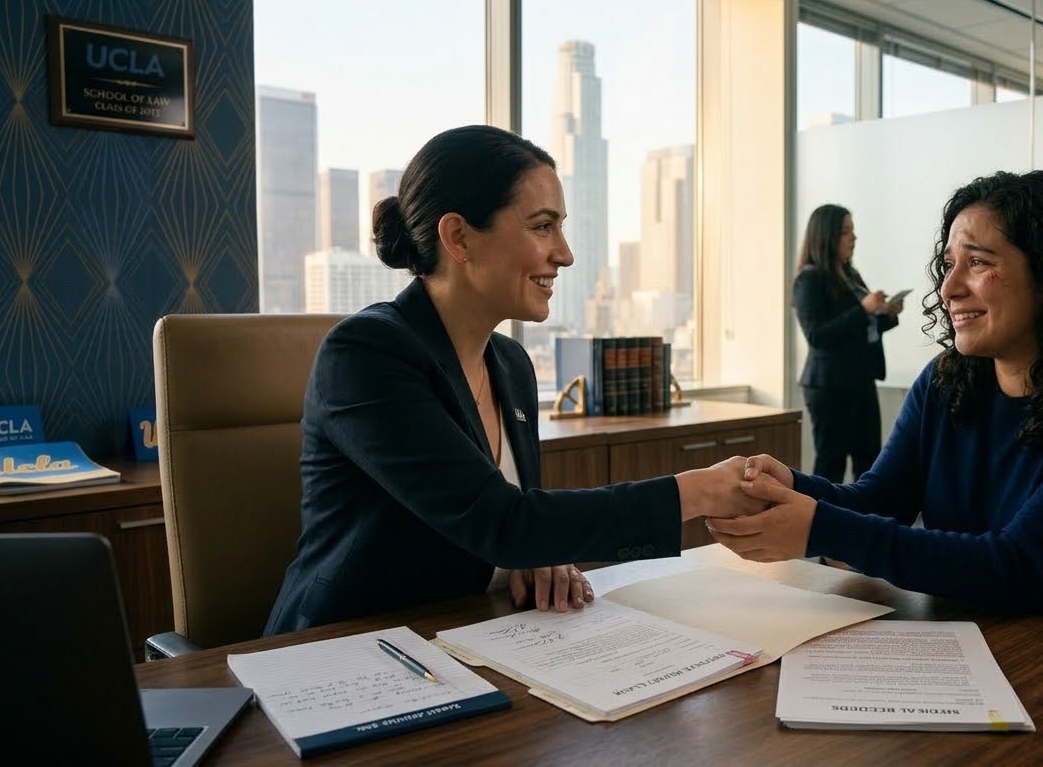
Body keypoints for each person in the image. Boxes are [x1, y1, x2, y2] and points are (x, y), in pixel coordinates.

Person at [265, 125, 760, 635]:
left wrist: (540, 552)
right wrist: (697, 492)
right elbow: (501, 521)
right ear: (458, 237)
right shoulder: (366, 355)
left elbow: (513, 528)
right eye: (543, 227)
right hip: (348, 648)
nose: (564, 254)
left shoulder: (512, 364)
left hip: (473, 631)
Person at [708, 170, 1043, 643]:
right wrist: (789, 484)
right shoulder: (947, 379)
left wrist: (819, 526)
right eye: (948, 264)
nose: (949, 288)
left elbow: (1016, 569)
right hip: (970, 643)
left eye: (977, 262)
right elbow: (878, 501)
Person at [794, 204, 903, 483]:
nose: (853, 238)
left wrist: (887, 314)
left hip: (861, 378)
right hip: (829, 384)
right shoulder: (810, 278)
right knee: (831, 462)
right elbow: (817, 335)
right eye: (845, 232)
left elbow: (860, 329)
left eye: (853, 232)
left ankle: (862, 524)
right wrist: (864, 309)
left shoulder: (850, 275)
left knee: (870, 460)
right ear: (826, 236)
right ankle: (821, 524)